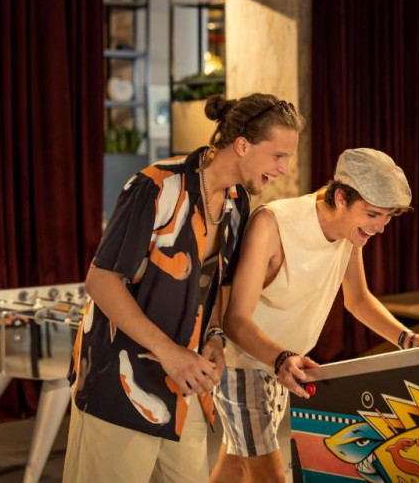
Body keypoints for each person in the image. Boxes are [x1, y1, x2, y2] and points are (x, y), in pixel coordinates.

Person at [62, 93, 305, 483]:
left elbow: (219, 285)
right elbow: (101, 281)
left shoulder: (237, 202)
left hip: (184, 388)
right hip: (117, 383)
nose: (284, 169)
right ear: (243, 145)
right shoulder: (156, 186)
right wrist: (169, 352)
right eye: (278, 155)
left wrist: (215, 337)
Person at [210, 148, 419, 483]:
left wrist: (408, 339)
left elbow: (358, 300)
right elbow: (234, 320)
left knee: (234, 468)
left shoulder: (350, 231)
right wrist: (280, 358)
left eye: (388, 217)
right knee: (270, 477)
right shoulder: (273, 222)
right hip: (245, 364)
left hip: (283, 366)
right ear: (341, 197)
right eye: (373, 214)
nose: (380, 227)